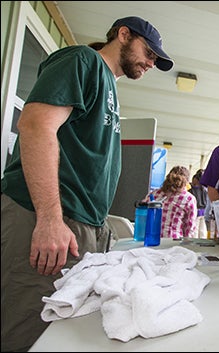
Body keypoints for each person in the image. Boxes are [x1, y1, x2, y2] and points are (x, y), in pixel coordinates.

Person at [0, 16, 174, 351]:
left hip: (82, 230)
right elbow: (36, 125)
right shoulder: (83, 60)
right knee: (28, 331)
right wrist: (49, 220)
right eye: (148, 52)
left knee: (60, 336)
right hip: (48, 219)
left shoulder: (109, 85)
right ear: (123, 34)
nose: (151, 63)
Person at [146, 166, 197, 239]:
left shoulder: (154, 194)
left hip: (151, 240)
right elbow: (190, 228)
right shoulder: (189, 198)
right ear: (186, 182)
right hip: (173, 243)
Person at [189, 168, 209, 238]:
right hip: (205, 211)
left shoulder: (191, 190)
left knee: (195, 230)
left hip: (196, 211)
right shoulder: (207, 190)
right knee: (203, 231)